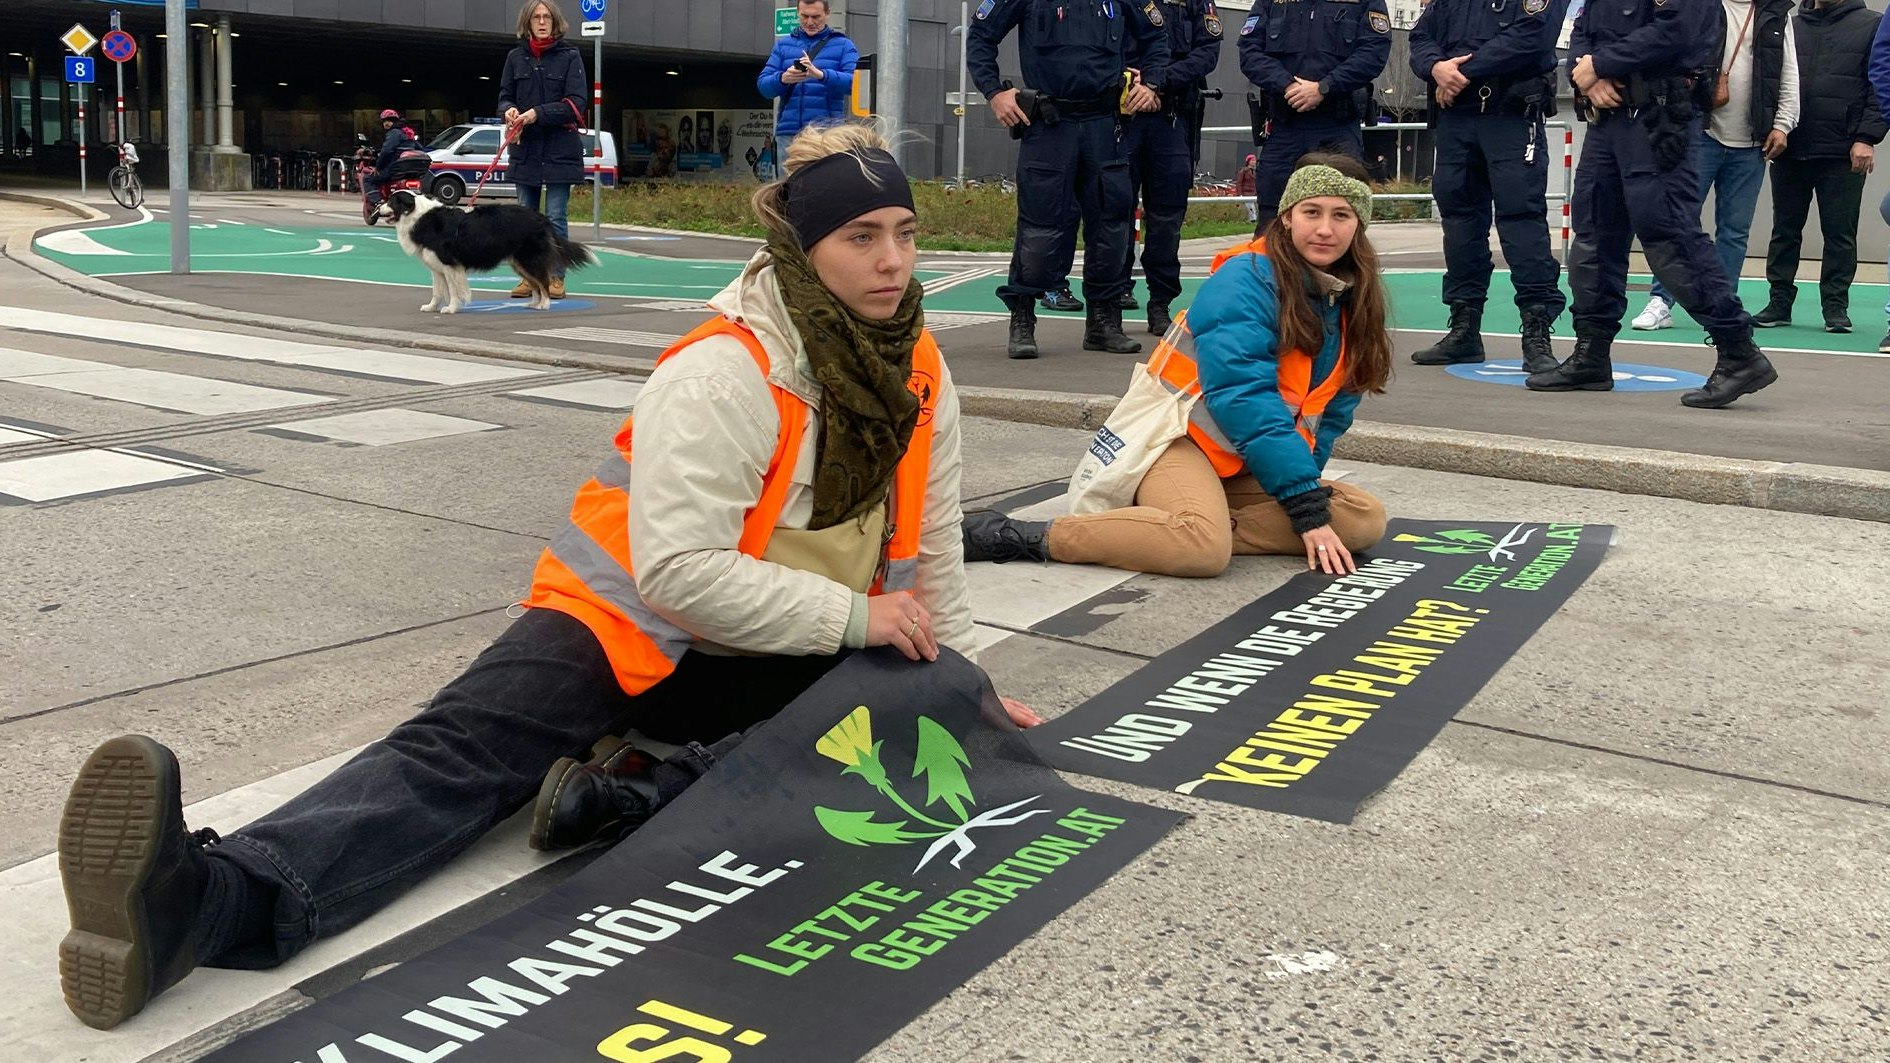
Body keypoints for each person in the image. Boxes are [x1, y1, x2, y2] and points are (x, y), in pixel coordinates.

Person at [53, 122, 1040, 1032]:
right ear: (802, 245)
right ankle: (210, 900)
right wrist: (865, 620)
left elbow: (934, 542)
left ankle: (643, 790)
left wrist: (966, 681)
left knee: (939, 696)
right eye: (862, 236)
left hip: (794, 640)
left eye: (904, 232)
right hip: (636, 618)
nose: (894, 261)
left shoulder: (916, 367)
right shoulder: (725, 374)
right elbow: (684, 575)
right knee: (459, 749)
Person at [963, 158, 1390, 578]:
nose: (1324, 229)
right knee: (1203, 551)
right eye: (1311, 212)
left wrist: (1303, 493)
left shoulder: (1352, 299)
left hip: (1241, 460)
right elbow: (1242, 396)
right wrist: (1304, 511)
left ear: (1359, 227)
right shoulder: (1246, 278)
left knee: (1362, 517)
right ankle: (1023, 535)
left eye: (1341, 216)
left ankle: (1174, 529)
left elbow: (1329, 416)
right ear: (1285, 218)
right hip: (1177, 440)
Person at [1540, 0, 1779, 408]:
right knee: (1594, 235)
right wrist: (1585, 72)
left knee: (1670, 235)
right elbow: (1581, 29)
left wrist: (1600, 64)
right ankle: (1591, 355)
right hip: (1608, 119)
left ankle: (1738, 352)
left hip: (1659, 118)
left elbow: (1678, 30)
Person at [969, 0, 1171, 360]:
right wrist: (994, 92)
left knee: (1111, 224)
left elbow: (1157, 37)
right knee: (1040, 225)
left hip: (1105, 125)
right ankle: (1023, 320)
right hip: (1048, 124)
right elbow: (981, 36)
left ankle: (1103, 324)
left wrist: (1152, 83)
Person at [1407, 0, 1571, 373]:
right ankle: (1464, 329)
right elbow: (1420, 37)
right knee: (1460, 224)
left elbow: (1532, 36)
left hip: (1511, 115)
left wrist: (1459, 73)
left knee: (1521, 221)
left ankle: (1536, 332)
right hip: (1457, 118)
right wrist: (1435, 68)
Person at [1631, 0, 1800, 333]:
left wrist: (1783, 124)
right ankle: (1661, 300)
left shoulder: (1776, 13)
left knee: (1734, 232)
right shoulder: (1703, 6)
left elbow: (1789, 72)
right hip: (1700, 132)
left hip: (1752, 140)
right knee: (1679, 219)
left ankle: (1721, 306)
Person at [1758, 0, 1884, 335]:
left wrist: (1867, 137)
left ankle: (1835, 308)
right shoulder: (1790, 25)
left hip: (1843, 150)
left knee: (1840, 234)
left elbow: (1879, 86)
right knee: (1784, 231)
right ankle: (1779, 303)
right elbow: (1771, 80)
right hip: (1791, 146)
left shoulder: (1872, 25)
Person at [1237, 0, 1391, 230]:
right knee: (1273, 219)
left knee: (1341, 214)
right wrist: (1287, 85)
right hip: (1285, 127)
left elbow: (1373, 53)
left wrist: (1323, 88)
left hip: (1338, 128)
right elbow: (1249, 51)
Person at [1123, 0, 1227, 337]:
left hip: (1172, 117)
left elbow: (1207, 51)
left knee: (1167, 217)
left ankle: (1159, 302)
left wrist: (1157, 82)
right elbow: (1098, 44)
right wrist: (1133, 86)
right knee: (1112, 212)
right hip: (1121, 114)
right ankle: (1109, 303)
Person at [498, 0, 589, 301]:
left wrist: (538, 113)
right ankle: (528, 277)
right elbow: (504, 95)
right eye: (536, 17)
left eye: (546, 16)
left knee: (556, 216)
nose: (542, 21)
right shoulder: (515, 57)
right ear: (528, 23)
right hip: (526, 151)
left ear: (555, 21)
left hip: (560, 149)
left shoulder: (570, 56)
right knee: (524, 218)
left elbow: (576, 103)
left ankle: (556, 277)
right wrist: (509, 110)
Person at [757, 0, 861, 153]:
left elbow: (855, 85)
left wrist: (821, 75)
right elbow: (763, 87)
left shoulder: (844, 45)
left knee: (825, 178)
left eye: (816, 17)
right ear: (797, 13)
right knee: (789, 178)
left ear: (827, 14)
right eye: (804, 16)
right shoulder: (783, 45)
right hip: (789, 133)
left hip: (827, 135)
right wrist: (782, 78)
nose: (810, 22)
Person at [361, 108, 423, 210]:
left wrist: (378, 167)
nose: (386, 123)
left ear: (395, 121)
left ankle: (377, 203)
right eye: (384, 121)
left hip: (394, 169)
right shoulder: (408, 133)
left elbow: (386, 151)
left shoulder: (394, 133)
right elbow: (420, 148)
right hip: (408, 170)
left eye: (389, 120)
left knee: (368, 179)